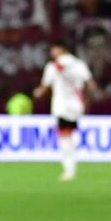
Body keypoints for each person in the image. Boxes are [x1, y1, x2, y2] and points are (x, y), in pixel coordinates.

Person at [37, 41, 93, 181]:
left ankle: (69, 168)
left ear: (59, 49)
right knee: (69, 133)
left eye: (53, 49)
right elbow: (90, 84)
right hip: (76, 104)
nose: (51, 53)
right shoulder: (79, 64)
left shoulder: (52, 66)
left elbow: (44, 87)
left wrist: (36, 93)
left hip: (62, 105)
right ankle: (71, 165)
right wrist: (88, 101)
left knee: (64, 136)